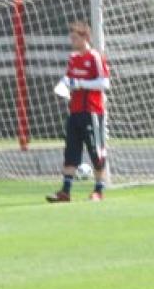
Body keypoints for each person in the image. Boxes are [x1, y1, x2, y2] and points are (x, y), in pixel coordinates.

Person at [46, 21, 110, 202]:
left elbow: (105, 83)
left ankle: (99, 191)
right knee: (71, 152)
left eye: (75, 37)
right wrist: (63, 86)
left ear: (85, 38)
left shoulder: (95, 57)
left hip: (92, 112)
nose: (72, 41)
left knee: (96, 152)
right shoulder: (73, 58)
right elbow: (69, 78)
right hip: (74, 111)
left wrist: (81, 84)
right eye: (71, 37)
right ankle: (65, 191)